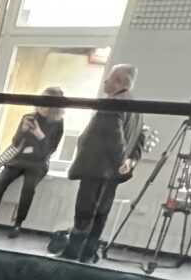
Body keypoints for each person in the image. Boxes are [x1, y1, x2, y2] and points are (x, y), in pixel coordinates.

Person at [56, 63, 144, 264]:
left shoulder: (112, 104)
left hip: (98, 168)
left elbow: (114, 136)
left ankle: (73, 251)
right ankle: (89, 253)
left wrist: (121, 160)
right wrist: (130, 162)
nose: (105, 81)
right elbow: (140, 137)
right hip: (113, 172)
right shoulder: (136, 106)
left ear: (119, 80)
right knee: (101, 213)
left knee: (85, 211)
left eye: (110, 77)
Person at [0, 90, 65, 237]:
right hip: (18, 160)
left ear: (54, 107)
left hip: (38, 162)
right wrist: (23, 130)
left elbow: (50, 150)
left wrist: (39, 134)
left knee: (28, 189)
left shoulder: (58, 123)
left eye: (47, 104)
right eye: (41, 103)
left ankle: (18, 224)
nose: (42, 107)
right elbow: (15, 142)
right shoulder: (29, 117)